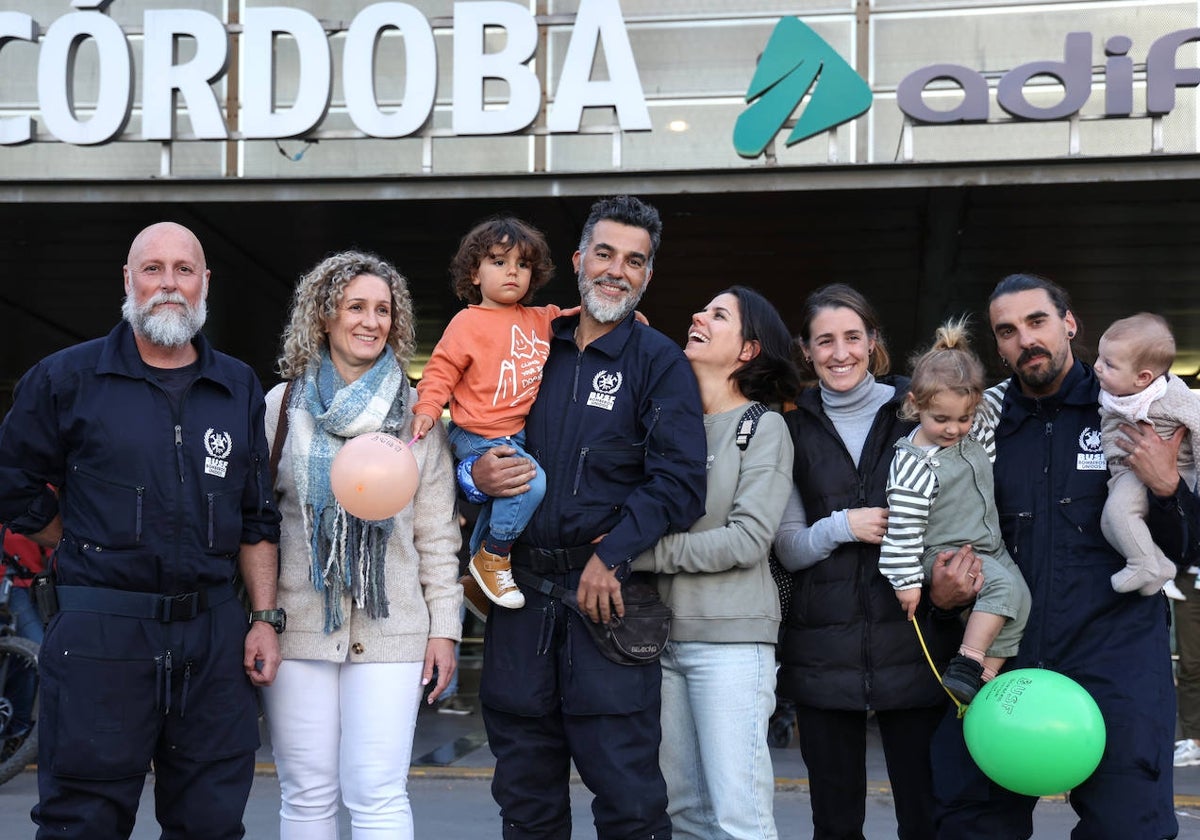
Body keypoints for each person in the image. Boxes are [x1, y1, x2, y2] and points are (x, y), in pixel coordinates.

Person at [0, 221, 282, 840]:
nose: (169, 285)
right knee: (84, 823)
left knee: (210, 822)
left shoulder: (236, 386)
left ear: (206, 283)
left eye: (184, 270)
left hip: (212, 640)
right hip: (101, 635)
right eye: (153, 269)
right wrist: (68, 531)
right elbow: (11, 482)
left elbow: (257, 518)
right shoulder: (65, 379)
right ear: (128, 281)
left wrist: (264, 618)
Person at [466, 195, 708, 838]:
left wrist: (613, 555)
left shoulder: (658, 362)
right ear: (578, 260)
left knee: (630, 804)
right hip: (520, 606)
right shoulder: (526, 344)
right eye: (604, 253)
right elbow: (463, 436)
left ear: (647, 275)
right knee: (526, 803)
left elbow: (681, 484)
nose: (616, 271)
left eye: (634, 261)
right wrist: (475, 477)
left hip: (608, 607)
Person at [929, 273, 1200, 840]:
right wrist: (942, 592)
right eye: (1007, 330)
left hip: (1116, 656)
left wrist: (1169, 489)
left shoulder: (1136, 409)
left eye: (1037, 322)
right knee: (969, 823)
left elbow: (1189, 548)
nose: (1025, 339)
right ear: (997, 345)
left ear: (1069, 323)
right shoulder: (977, 424)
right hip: (1004, 655)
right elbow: (942, 529)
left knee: (1131, 829)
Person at [261, 250, 462, 840]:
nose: (371, 321)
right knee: (306, 796)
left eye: (383, 309)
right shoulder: (280, 409)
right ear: (324, 317)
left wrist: (444, 628)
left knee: (377, 794)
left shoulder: (418, 416)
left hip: (394, 626)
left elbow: (436, 531)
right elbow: (261, 525)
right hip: (299, 625)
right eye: (356, 307)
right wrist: (262, 617)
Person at [773, 283, 962, 840]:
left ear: (873, 341)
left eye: (853, 337)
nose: (840, 353)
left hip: (916, 643)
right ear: (805, 350)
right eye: (824, 340)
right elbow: (787, 545)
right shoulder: (791, 429)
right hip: (820, 653)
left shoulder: (918, 410)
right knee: (834, 823)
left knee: (924, 816)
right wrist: (842, 526)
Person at [631, 285, 799, 839]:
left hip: (731, 644)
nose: (697, 315)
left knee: (738, 818)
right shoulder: (664, 426)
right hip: (662, 639)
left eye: (718, 314)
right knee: (686, 816)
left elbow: (748, 539)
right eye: (701, 308)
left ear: (748, 350)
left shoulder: (764, 428)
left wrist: (643, 555)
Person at [412, 216, 561, 611]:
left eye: (523, 264)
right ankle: (494, 556)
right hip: (476, 431)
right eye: (498, 261)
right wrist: (428, 409)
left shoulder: (539, 319)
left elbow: (579, 319)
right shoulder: (467, 322)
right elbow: (440, 371)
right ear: (474, 273)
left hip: (514, 433)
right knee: (531, 484)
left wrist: (624, 324)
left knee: (503, 499)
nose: (512, 271)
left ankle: (475, 579)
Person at [880, 319, 1031, 704]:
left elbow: (1006, 390)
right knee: (1001, 587)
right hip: (943, 551)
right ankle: (967, 659)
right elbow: (903, 529)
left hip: (988, 545)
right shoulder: (913, 464)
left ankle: (982, 680)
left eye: (964, 418)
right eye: (941, 419)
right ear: (915, 404)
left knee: (1021, 599)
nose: (953, 429)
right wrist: (907, 582)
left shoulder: (976, 424)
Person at [1094, 312, 1200, 595]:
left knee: (1118, 512)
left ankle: (1142, 563)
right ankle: (1158, 563)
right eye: (1099, 357)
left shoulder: (1168, 395)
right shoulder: (1119, 389)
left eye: (1109, 364)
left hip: (1158, 469)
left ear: (1143, 377)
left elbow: (1198, 422)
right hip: (1127, 471)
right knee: (1109, 523)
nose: (1097, 367)